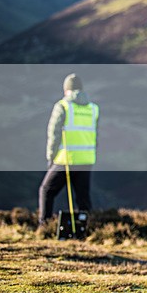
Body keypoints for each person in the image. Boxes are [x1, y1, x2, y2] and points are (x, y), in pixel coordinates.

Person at [38, 73, 99, 224]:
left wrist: (51, 157)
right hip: (86, 159)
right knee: (83, 198)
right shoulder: (93, 109)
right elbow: (95, 135)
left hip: (66, 159)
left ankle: (44, 226)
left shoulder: (63, 106)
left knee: (46, 190)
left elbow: (54, 135)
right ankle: (86, 228)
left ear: (66, 90)